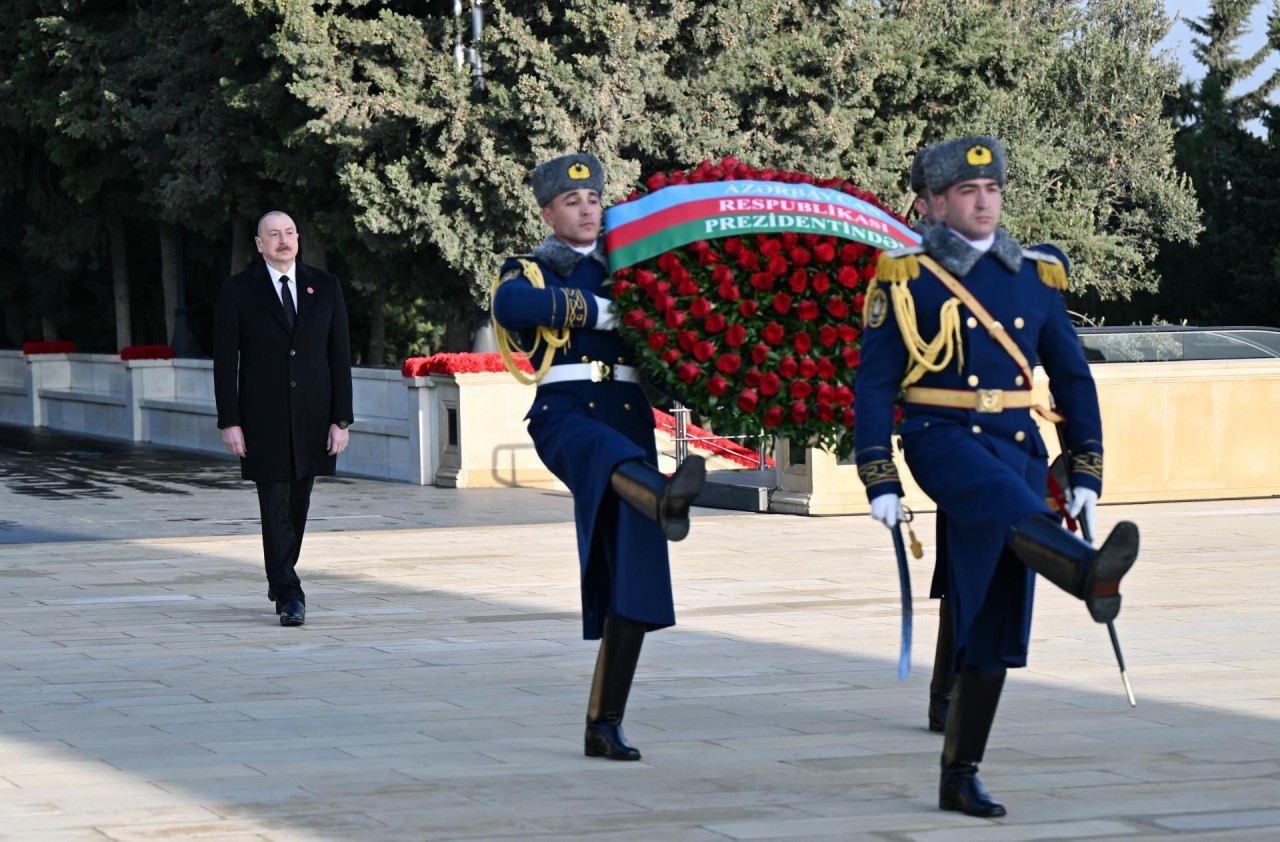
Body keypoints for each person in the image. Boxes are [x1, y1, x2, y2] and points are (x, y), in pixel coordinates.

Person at [854, 136, 1139, 817]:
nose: (984, 201)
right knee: (1012, 505)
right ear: (937, 204)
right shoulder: (906, 276)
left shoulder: (1034, 275)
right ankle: (1084, 572)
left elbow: (1070, 377)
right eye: (967, 192)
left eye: (992, 190)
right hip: (940, 437)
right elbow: (873, 385)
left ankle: (960, 773)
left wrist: (1086, 470)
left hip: (1016, 440)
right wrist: (879, 477)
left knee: (993, 611)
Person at [490, 152, 707, 761]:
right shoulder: (532, 270)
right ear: (548, 212)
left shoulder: (632, 270)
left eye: (593, 201)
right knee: (606, 452)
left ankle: (603, 723)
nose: (586, 209)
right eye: (571, 202)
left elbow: (665, 353)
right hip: (568, 417)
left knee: (633, 576)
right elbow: (515, 310)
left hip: (631, 418)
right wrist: (608, 313)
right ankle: (665, 495)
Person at [213, 211, 353, 628]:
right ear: (259, 244)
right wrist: (230, 420)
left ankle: (280, 576)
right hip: (262, 419)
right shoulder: (239, 290)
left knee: (298, 507)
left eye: (289, 232)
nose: (283, 240)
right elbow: (225, 361)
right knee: (273, 504)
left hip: (313, 418)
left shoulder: (325, 287)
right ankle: (290, 593)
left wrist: (340, 419)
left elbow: (339, 356)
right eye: (273, 235)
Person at [908, 144, 957, 735]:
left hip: (996, 433)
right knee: (962, 566)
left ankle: (952, 690)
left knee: (978, 565)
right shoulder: (905, 263)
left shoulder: (1000, 261)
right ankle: (946, 693)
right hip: (938, 433)